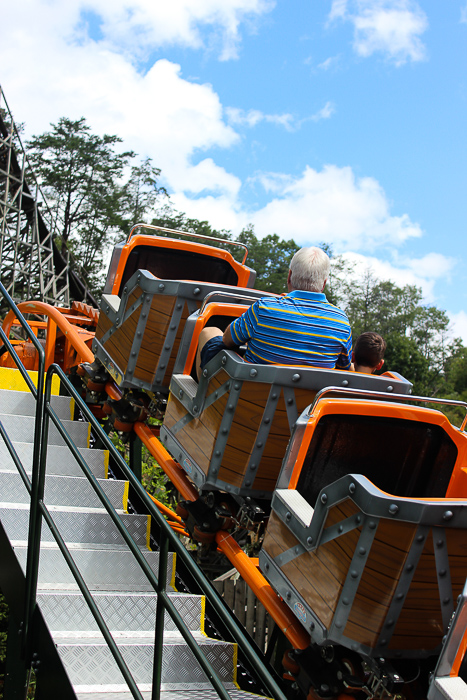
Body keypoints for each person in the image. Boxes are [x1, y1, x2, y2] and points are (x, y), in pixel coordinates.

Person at [196, 246, 352, 377]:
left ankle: (201, 401)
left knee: (209, 332)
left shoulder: (264, 308)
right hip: (307, 411)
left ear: (289, 276)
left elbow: (227, 339)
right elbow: (343, 370)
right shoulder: (341, 322)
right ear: (323, 283)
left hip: (248, 402)